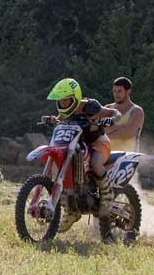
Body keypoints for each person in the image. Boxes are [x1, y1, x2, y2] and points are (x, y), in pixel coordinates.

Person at [43, 78, 120, 231]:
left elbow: (113, 112)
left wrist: (111, 119)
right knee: (61, 169)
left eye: (66, 101)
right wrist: (53, 119)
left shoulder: (90, 105)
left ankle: (107, 194)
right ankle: (70, 210)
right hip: (76, 145)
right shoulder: (65, 112)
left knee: (95, 163)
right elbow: (62, 119)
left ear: (75, 98)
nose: (63, 104)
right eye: (60, 101)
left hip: (98, 143)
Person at [104, 76, 144, 153]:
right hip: (106, 156)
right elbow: (99, 130)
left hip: (127, 159)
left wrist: (108, 131)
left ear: (128, 92)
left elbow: (127, 134)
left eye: (119, 91)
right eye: (114, 91)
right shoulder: (107, 108)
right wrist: (120, 128)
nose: (116, 94)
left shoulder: (137, 111)